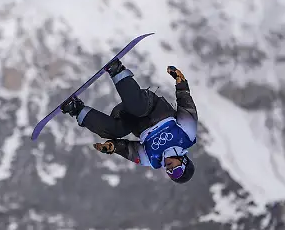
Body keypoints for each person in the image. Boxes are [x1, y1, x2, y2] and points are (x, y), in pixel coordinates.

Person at [60, 59, 198, 183]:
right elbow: (186, 104)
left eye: (171, 175)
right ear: (183, 161)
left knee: (115, 131)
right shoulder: (186, 135)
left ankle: (76, 108)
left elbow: (129, 150)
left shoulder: (151, 159)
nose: (170, 171)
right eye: (177, 171)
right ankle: (117, 70)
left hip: (129, 118)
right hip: (149, 105)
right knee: (138, 107)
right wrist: (181, 82)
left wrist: (113, 147)